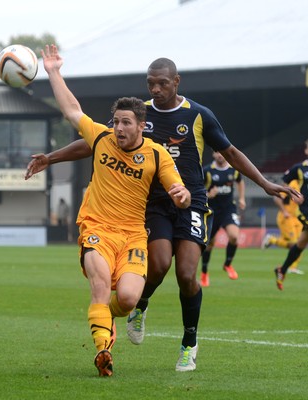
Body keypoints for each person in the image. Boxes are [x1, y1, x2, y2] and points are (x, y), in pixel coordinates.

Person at [25, 56, 301, 372]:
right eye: (150, 84)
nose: (155, 90)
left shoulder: (199, 116)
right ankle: (139, 305)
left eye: (162, 84)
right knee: (157, 264)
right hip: (154, 203)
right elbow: (96, 142)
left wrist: (264, 182)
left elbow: (230, 152)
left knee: (185, 274)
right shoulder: (138, 114)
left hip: (192, 200)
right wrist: (53, 157)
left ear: (176, 82)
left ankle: (188, 344)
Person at [26, 44, 191, 377]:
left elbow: (178, 190)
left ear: (141, 126)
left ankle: (106, 317)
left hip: (132, 235)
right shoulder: (101, 139)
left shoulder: (157, 155)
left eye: (126, 123)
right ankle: (103, 350)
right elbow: (72, 110)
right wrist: (54, 72)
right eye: (116, 122)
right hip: (97, 227)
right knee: (100, 286)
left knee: (128, 299)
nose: (118, 128)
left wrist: (182, 195)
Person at [200, 151, 246, 287]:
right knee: (209, 244)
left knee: (234, 236)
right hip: (211, 211)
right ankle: (204, 273)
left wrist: (242, 198)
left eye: (221, 152)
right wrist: (208, 194)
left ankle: (227, 264)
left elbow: (240, 181)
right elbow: (197, 190)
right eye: (216, 152)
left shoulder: (233, 170)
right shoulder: (207, 171)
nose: (220, 155)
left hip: (228, 209)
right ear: (213, 154)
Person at [274, 140, 307, 290]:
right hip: (305, 210)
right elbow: (282, 185)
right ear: (306, 151)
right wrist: (292, 195)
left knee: (300, 244)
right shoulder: (299, 169)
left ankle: (282, 269)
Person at [262, 180, 304, 275]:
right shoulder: (293, 183)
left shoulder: (303, 184)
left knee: (300, 243)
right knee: (294, 244)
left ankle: (293, 267)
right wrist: (284, 211)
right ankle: (272, 240)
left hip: (297, 218)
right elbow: (277, 198)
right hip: (287, 217)